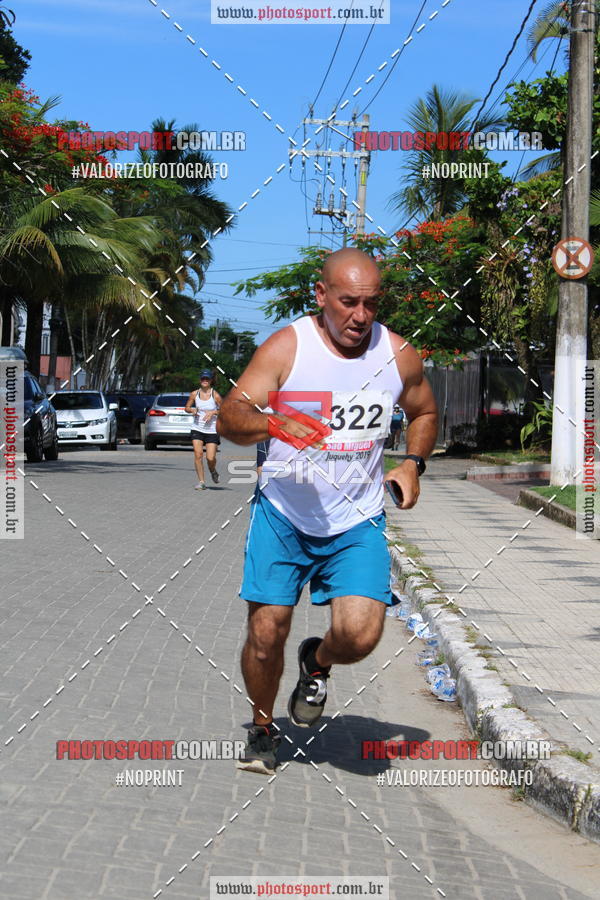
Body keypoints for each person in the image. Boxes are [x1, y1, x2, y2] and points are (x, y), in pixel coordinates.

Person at [217, 248, 438, 775]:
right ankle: (263, 729)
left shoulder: (397, 353)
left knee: (361, 636)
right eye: (347, 302)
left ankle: (316, 662)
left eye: (370, 303)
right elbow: (230, 415)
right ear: (321, 296)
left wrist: (413, 464)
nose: (360, 316)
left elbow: (425, 409)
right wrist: (273, 426)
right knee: (266, 634)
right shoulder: (288, 347)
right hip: (284, 513)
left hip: (356, 521)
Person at [185, 370, 222, 490]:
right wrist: (192, 410)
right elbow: (187, 407)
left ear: (211, 381)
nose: (204, 381)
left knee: (210, 458)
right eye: (203, 379)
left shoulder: (215, 395)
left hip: (212, 430)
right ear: (200, 380)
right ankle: (201, 482)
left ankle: (213, 470)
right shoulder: (194, 394)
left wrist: (213, 412)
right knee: (198, 454)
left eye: (207, 379)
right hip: (197, 428)